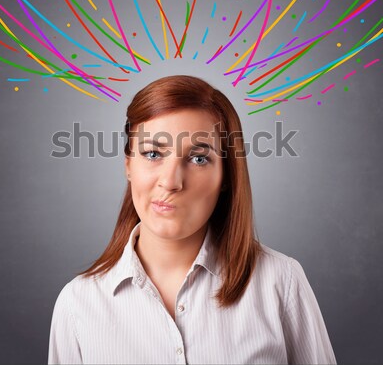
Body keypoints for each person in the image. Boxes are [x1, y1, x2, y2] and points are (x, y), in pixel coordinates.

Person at [48, 75, 336, 364]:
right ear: (128, 166)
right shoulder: (78, 304)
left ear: (226, 176)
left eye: (199, 159)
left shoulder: (281, 283)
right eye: (152, 153)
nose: (171, 182)